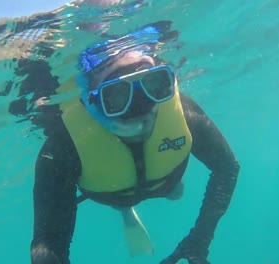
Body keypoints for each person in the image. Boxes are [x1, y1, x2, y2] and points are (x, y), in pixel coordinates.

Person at [28, 23, 240, 264]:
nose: (142, 107)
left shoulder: (184, 112)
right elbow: (48, 243)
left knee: (174, 192)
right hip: (112, 191)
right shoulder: (63, 146)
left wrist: (199, 241)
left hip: (159, 181)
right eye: (117, 96)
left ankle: (140, 198)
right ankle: (126, 208)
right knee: (156, 192)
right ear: (91, 101)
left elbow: (227, 168)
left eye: (154, 85)